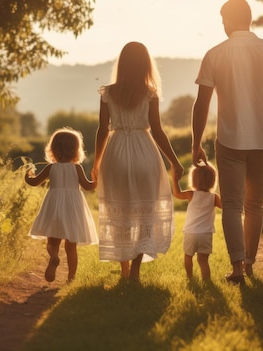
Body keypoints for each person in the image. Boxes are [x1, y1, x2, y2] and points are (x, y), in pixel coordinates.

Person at [191, 0, 263, 283]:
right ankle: (249, 264)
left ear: (228, 20)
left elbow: (201, 104)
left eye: (223, 19)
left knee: (233, 205)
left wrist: (195, 142)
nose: (222, 25)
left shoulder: (215, 54)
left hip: (229, 140)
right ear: (249, 20)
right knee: (255, 205)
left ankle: (237, 266)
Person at [92, 41, 183, 282]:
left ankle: (123, 272)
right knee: (145, 214)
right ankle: (134, 271)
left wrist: (96, 163)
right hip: (145, 153)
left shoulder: (108, 93)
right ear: (145, 64)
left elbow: (102, 130)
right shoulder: (150, 93)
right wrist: (174, 161)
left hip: (116, 154)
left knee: (119, 214)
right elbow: (158, 130)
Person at [25, 127, 98, 283]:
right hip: (73, 208)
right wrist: (95, 179)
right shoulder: (77, 168)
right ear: (76, 150)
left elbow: (34, 182)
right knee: (71, 247)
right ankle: (70, 278)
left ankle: (54, 257)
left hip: (54, 206)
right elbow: (88, 186)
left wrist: (28, 176)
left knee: (53, 241)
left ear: (52, 149)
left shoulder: (51, 167)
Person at [172, 162, 222, 280]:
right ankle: (206, 280)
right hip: (206, 234)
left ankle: (190, 277)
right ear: (213, 181)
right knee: (203, 261)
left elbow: (177, 194)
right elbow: (226, 206)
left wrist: (175, 181)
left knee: (188, 256)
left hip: (191, 233)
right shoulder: (214, 197)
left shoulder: (191, 194)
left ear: (193, 180)